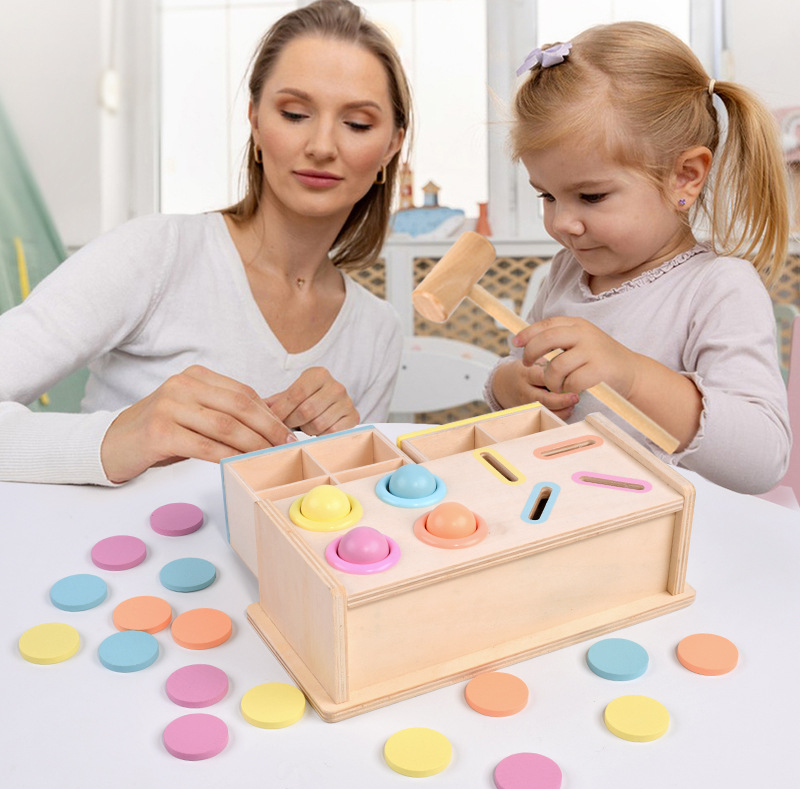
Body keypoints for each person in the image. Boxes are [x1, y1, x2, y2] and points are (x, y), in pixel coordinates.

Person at [0, 0, 410, 486]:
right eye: (295, 113)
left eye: (358, 124)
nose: (322, 145)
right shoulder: (157, 255)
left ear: (390, 147)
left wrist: (350, 459)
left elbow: (352, 532)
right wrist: (117, 438)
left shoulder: (377, 331)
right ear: (256, 123)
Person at [484, 21, 791, 494]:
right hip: (578, 517)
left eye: (590, 196)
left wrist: (632, 377)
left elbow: (762, 459)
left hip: (695, 543)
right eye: (547, 195)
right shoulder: (566, 273)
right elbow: (524, 374)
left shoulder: (719, 287)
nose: (562, 223)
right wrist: (510, 386)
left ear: (685, 176)